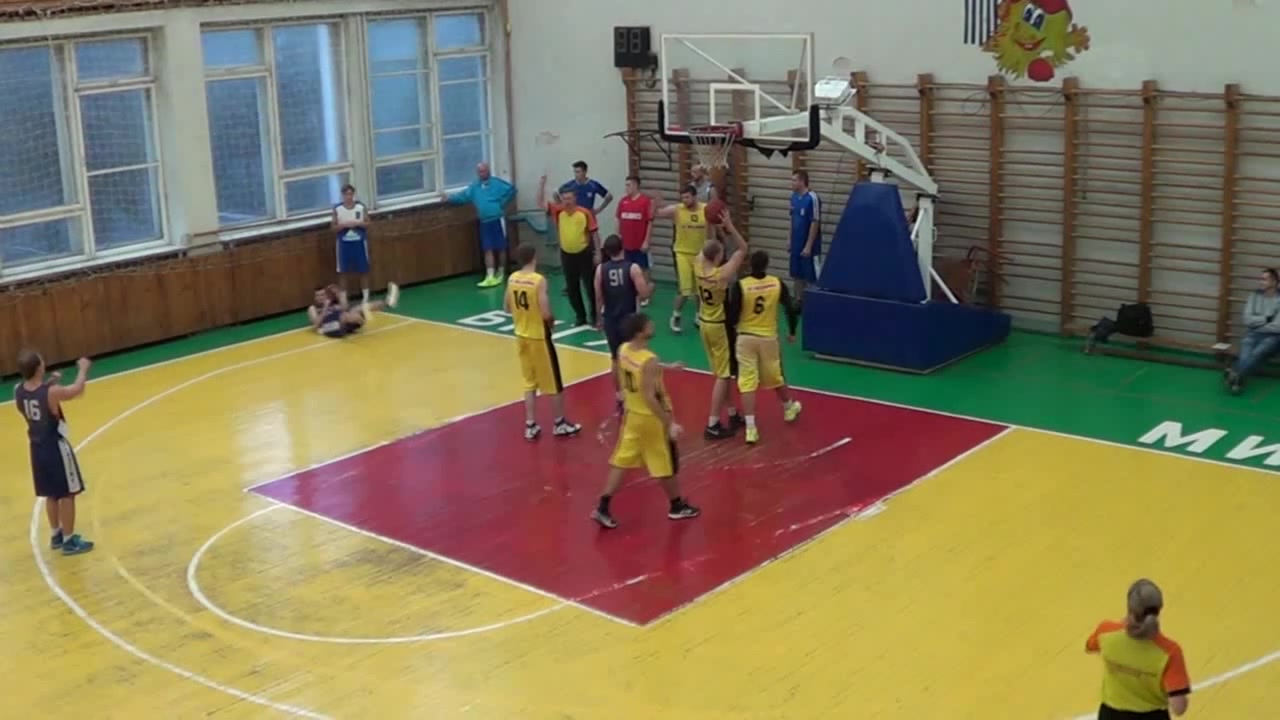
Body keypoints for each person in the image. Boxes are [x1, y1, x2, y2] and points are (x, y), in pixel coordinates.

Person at [592, 313, 699, 529]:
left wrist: (668, 366)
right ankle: (676, 506)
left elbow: (637, 371)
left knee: (622, 461)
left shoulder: (624, 350)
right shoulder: (649, 359)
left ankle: (603, 505)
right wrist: (669, 423)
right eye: (649, 325)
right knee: (665, 463)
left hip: (632, 415)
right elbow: (650, 396)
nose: (653, 326)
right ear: (640, 333)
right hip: (651, 420)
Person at [14, 351, 95, 556]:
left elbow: (35, 398)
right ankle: (69, 541)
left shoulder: (18, 391)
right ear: (38, 368)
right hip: (55, 447)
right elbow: (76, 390)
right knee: (68, 493)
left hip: (37, 448)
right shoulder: (52, 392)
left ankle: (56, 534)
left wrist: (49, 384)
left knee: (51, 493)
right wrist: (83, 369)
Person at [504, 242, 582, 441]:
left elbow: (507, 307)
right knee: (554, 382)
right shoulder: (538, 280)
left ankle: (530, 425)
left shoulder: (512, 278)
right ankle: (559, 423)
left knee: (529, 382)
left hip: (521, 335)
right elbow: (545, 312)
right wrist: (551, 322)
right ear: (534, 258)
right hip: (539, 337)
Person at [1086, 579, 1191, 719]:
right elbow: (1179, 708)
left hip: (1111, 715)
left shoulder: (1106, 632)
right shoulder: (1170, 652)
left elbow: (1090, 647)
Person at [728, 251, 803, 444]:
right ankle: (788, 407)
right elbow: (790, 308)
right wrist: (792, 331)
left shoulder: (741, 285)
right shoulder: (777, 283)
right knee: (775, 376)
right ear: (767, 265)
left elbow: (732, 315)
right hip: (768, 338)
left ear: (749, 265)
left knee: (747, 382)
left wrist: (733, 332)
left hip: (745, 337)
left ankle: (751, 429)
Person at [694, 213, 750, 439]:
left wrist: (709, 222)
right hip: (718, 326)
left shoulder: (697, 265)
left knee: (720, 372)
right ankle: (713, 423)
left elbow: (707, 246)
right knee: (723, 375)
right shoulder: (722, 275)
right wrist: (729, 226)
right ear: (718, 257)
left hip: (703, 323)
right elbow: (743, 249)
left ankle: (732, 413)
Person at [595, 234, 653, 412]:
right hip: (630, 321)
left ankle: (620, 396)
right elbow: (643, 294)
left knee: (615, 358)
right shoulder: (632, 268)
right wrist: (651, 288)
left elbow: (598, 297)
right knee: (636, 356)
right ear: (623, 248)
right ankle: (639, 392)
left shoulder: (600, 269)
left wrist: (598, 318)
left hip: (611, 319)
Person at [540, 174, 600, 327]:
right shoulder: (558, 211)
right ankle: (580, 316)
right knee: (572, 288)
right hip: (567, 255)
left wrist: (597, 253)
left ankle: (594, 317)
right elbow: (541, 204)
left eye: (569, 198)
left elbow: (594, 233)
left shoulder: (584, 213)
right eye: (564, 198)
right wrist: (542, 184)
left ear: (575, 198)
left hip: (584, 253)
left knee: (590, 287)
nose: (567, 201)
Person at [446, 162, 518, 288]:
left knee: (501, 247)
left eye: (484, 171)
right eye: (480, 171)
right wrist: (449, 198)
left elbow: (512, 190)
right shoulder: (475, 187)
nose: (482, 173)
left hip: (497, 219)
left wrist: (501, 203)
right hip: (484, 221)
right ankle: (490, 275)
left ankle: (501, 272)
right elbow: (463, 196)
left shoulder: (497, 183)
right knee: (487, 248)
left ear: (488, 171)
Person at [656, 185, 713, 333]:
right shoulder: (677, 210)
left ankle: (698, 316)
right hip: (682, 253)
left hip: (700, 255)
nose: (685, 200)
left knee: (700, 289)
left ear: (694, 196)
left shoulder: (706, 210)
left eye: (687, 197)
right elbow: (658, 213)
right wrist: (657, 204)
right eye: (682, 198)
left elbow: (711, 233)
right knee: (685, 290)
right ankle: (676, 315)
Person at [1226, 267, 1280, 394]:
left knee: (1258, 351)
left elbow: (1278, 326)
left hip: (1274, 337)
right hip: (1253, 334)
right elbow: (1247, 319)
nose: (1261, 282)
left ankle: (1234, 373)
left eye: (1264, 279)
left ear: (1274, 282)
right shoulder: (1254, 296)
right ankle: (1237, 377)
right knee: (1246, 351)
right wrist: (1266, 319)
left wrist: (1257, 324)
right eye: (1261, 279)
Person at [615, 175, 655, 306]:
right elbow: (618, 219)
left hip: (640, 244)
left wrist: (646, 240)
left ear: (636, 185)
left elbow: (649, 222)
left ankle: (645, 295)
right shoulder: (623, 201)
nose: (626, 188)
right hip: (626, 244)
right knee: (627, 268)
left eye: (629, 185)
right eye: (625, 185)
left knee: (643, 269)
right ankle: (630, 293)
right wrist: (618, 236)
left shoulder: (645, 201)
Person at [308, 282, 399, 339]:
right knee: (345, 316)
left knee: (358, 308)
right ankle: (360, 319)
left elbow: (345, 308)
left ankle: (387, 302)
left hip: (344, 323)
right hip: (329, 327)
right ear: (315, 297)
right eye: (318, 295)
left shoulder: (333, 303)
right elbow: (316, 324)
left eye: (322, 295)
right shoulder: (313, 308)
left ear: (326, 295)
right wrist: (325, 307)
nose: (320, 297)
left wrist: (339, 294)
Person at [332, 184, 372, 305]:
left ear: (353, 194)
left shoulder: (360, 207)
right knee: (343, 272)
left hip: (359, 243)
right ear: (342, 195)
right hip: (343, 245)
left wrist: (357, 224)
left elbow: (368, 223)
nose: (348, 197)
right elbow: (333, 228)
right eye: (346, 194)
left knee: (363, 270)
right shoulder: (337, 209)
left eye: (350, 194)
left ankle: (365, 298)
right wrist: (344, 225)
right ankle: (344, 299)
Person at [789, 170, 823, 302]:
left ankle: (815, 303)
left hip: (810, 247)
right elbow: (792, 219)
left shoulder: (812, 198)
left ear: (802, 181)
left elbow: (815, 222)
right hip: (796, 244)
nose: (791, 183)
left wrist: (808, 246)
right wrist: (790, 239)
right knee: (797, 274)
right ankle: (798, 301)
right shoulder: (793, 197)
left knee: (811, 276)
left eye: (794, 180)